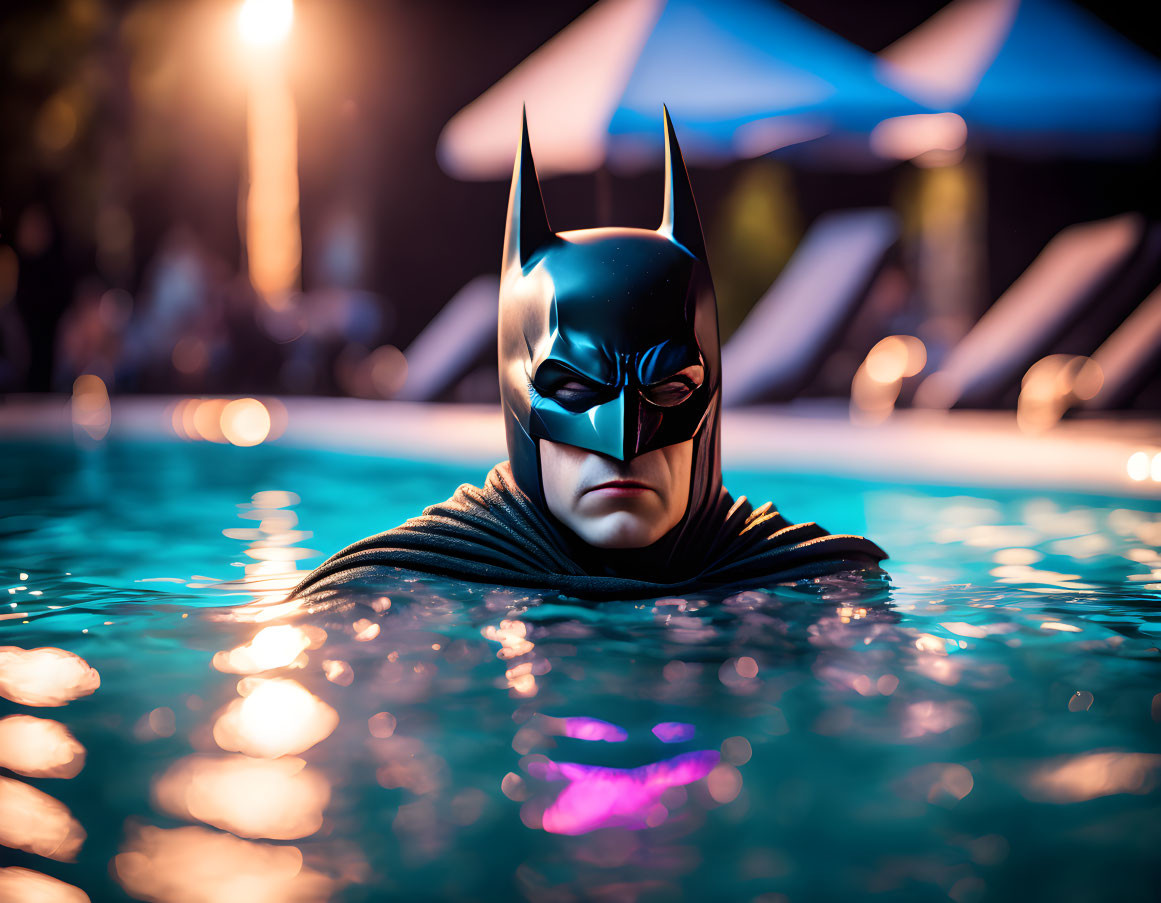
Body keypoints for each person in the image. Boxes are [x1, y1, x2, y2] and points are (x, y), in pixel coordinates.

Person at [291, 109, 885, 602]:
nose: (625, 439)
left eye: (671, 388)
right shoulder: (406, 584)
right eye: (574, 388)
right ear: (516, 394)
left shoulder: (816, 582)